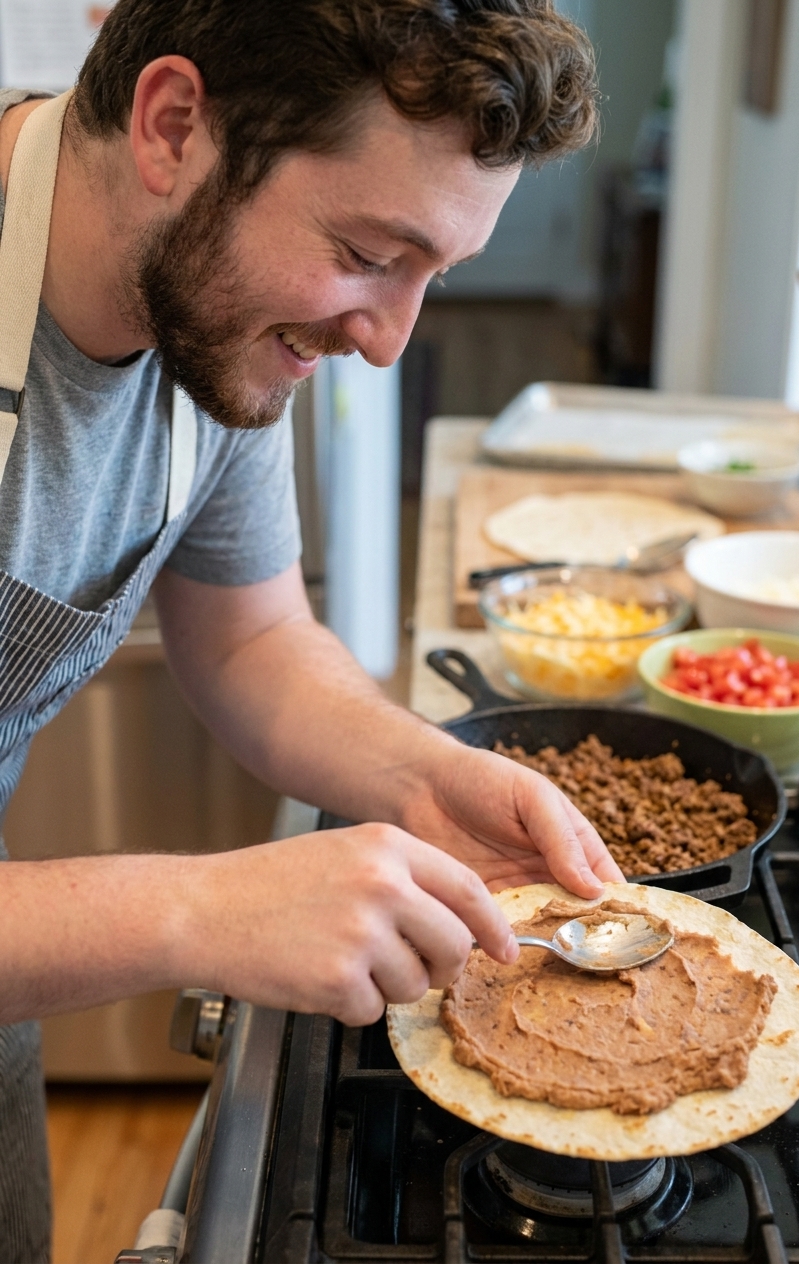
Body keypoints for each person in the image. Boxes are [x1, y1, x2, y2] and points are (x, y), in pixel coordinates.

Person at [0, 0, 621, 1257]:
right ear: (174, 126)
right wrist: (201, 913)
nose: (388, 341)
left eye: (431, 276)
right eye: (365, 251)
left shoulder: (209, 320)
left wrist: (427, 776)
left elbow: (249, 641)